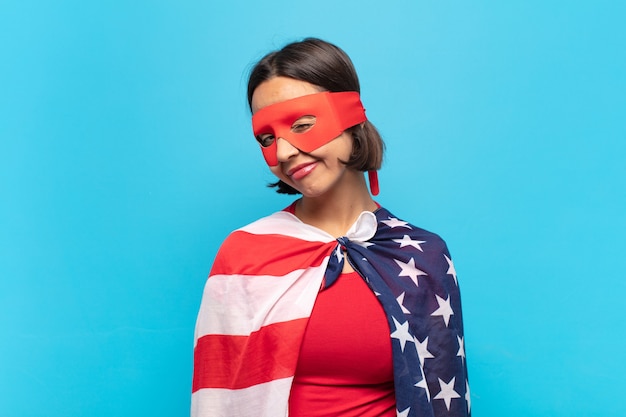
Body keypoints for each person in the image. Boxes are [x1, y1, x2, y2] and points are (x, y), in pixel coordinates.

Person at [192, 38, 470, 417]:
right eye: (268, 139)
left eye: (303, 125)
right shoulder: (245, 253)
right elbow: (218, 399)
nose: (285, 152)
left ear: (351, 116)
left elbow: (441, 398)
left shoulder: (423, 256)